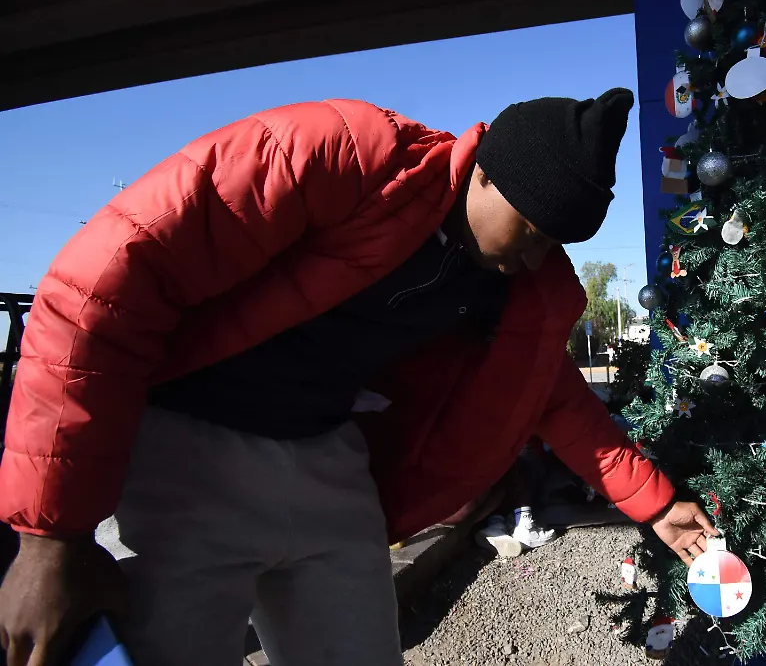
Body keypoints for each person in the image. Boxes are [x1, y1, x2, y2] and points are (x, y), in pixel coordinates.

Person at [0, 90, 718, 666]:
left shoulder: (519, 287)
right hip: (194, 442)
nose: (534, 258)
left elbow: (555, 397)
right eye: (529, 231)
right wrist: (50, 538)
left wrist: (653, 504)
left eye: (552, 244)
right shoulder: (342, 153)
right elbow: (103, 281)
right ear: (486, 170)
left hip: (327, 457)